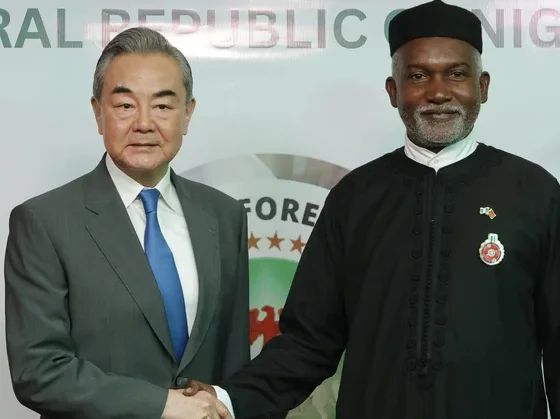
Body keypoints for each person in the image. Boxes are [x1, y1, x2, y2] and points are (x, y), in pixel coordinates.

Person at [183, 1, 560, 418]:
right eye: (418, 76)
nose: (438, 92)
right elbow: (309, 342)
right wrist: (230, 400)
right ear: (393, 90)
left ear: (483, 87)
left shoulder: (535, 193)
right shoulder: (355, 197)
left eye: (457, 74)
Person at [4, 27, 248, 419]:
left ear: (188, 114)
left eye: (164, 106)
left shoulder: (224, 215)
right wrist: (161, 404)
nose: (145, 123)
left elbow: (233, 361)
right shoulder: (45, 222)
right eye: (125, 106)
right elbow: (38, 371)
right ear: (98, 112)